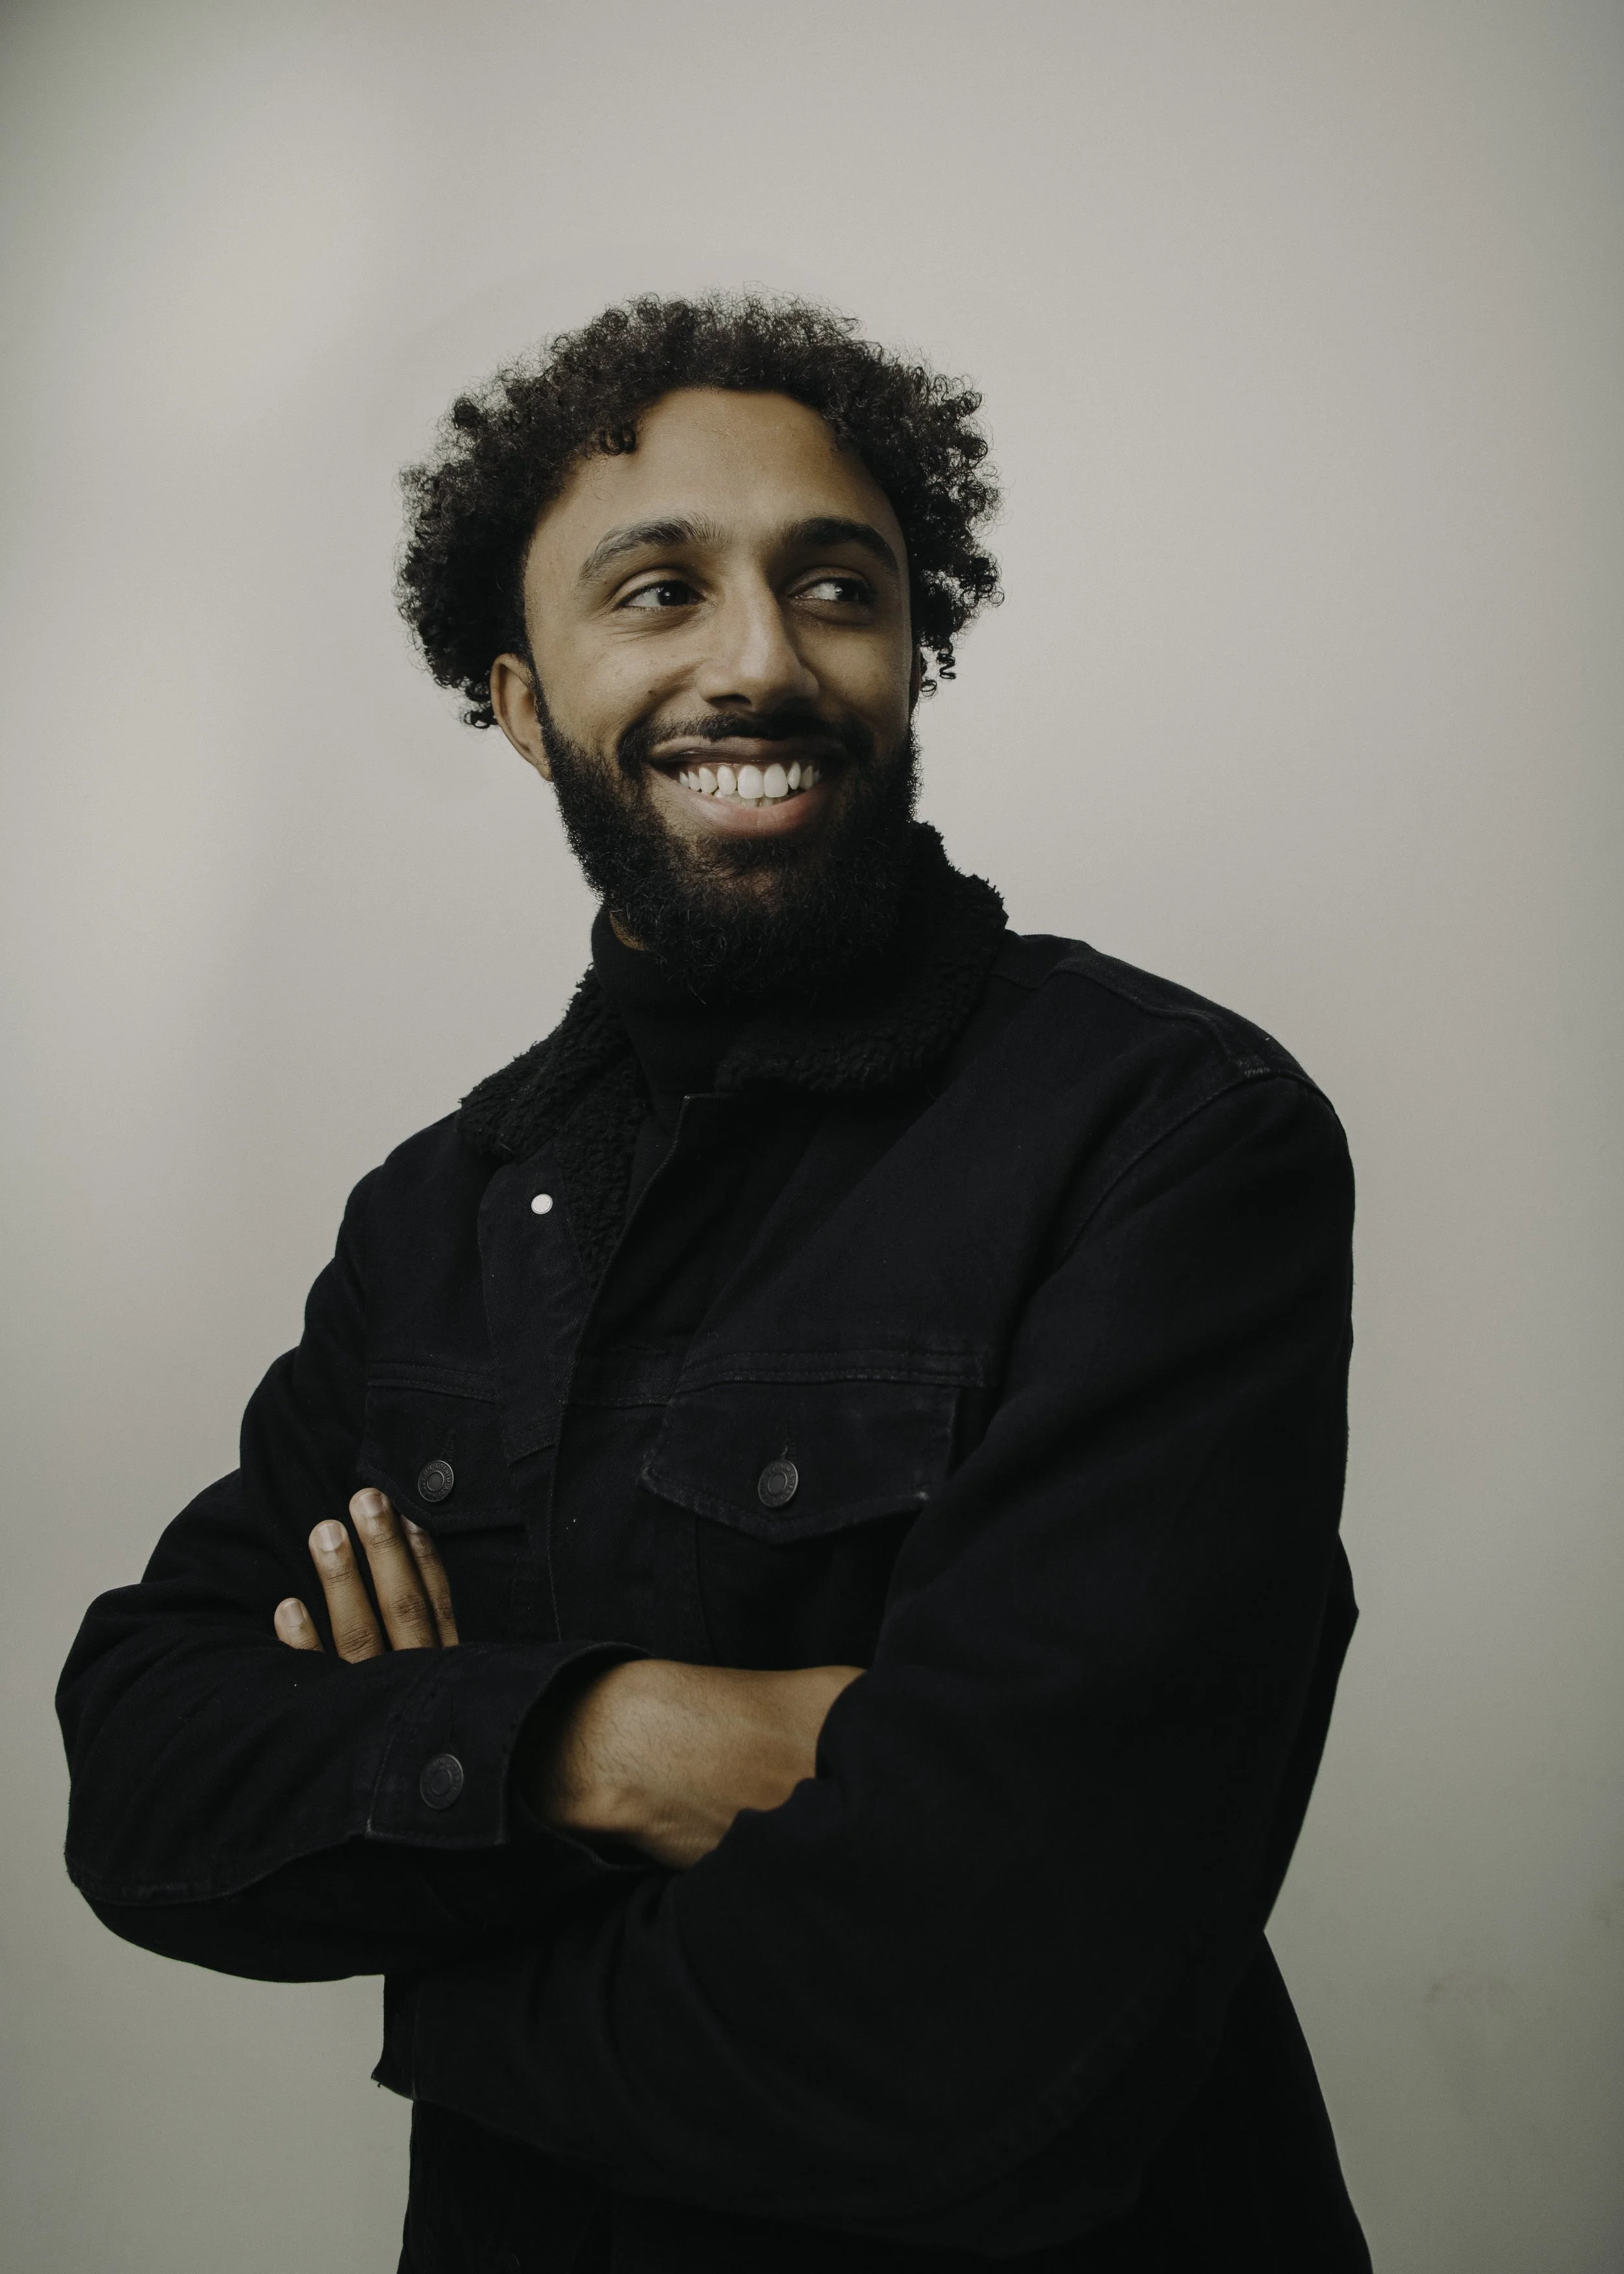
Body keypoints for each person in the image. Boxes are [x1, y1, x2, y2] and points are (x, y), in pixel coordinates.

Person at [57, 293, 1370, 2273]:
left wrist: (448, 1959)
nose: (758, 659)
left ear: (911, 652)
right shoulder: (431, 1220)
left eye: (834, 586)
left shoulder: (1173, 1135)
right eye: (655, 590)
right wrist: (618, 1745)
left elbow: (989, 1980)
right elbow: (149, 1774)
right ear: (519, 701)